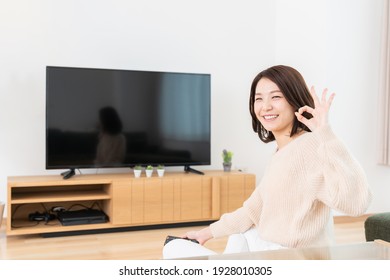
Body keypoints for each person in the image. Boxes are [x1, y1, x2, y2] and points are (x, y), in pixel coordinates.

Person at [162, 65, 372, 259]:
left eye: (276, 97)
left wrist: (326, 134)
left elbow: (356, 203)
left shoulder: (310, 145)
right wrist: (204, 233)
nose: (266, 107)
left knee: (173, 248)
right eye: (258, 98)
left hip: (293, 260)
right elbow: (253, 209)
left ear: (294, 99)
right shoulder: (283, 151)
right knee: (241, 232)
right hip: (274, 252)